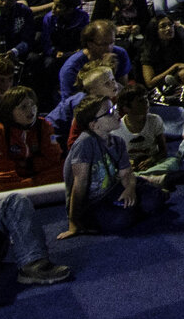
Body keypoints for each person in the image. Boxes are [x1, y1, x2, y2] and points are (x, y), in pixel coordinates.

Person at [60, 96, 167, 238]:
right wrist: (74, 224)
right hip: (94, 201)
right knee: (119, 221)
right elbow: (79, 186)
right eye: (110, 111)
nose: (117, 113)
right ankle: (145, 192)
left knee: (153, 201)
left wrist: (130, 189)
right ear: (94, 125)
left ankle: (147, 191)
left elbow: (127, 173)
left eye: (115, 108)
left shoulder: (118, 141)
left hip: (114, 188)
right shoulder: (85, 143)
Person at [0, 87, 64, 192]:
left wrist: (32, 165)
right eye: (23, 107)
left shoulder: (44, 125)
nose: (30, 110)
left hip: (39, 170)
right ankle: (32, 184)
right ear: (10, 110)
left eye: (33, 105)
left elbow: (53, 155)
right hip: (13, 173)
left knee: (64, 169)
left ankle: (26, 185)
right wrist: (18, 166)